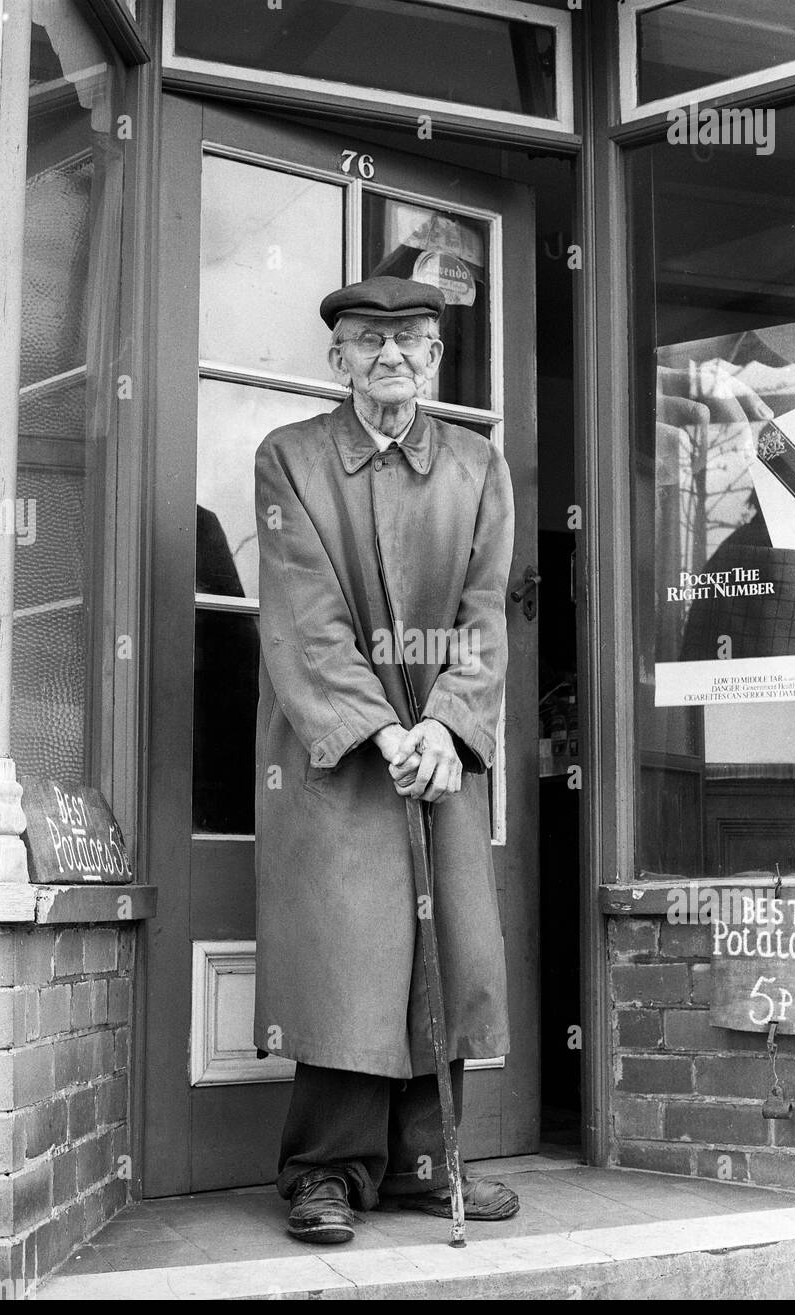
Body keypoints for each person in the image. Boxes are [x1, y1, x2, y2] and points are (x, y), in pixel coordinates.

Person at [253, 275, 519, 1243]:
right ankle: (324, 1171)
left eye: (409, 339)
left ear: (436, 356)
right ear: (338, 359)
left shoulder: (476, 466)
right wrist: (383, 729)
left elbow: (482, 612)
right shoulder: (289, 458)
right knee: (345, 948)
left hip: (435, 740)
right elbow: (304, 613)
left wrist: (448, 726)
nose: (390, 355)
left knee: (445, 943)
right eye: (368, 342)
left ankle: (420, 1165)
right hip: (341, 746)